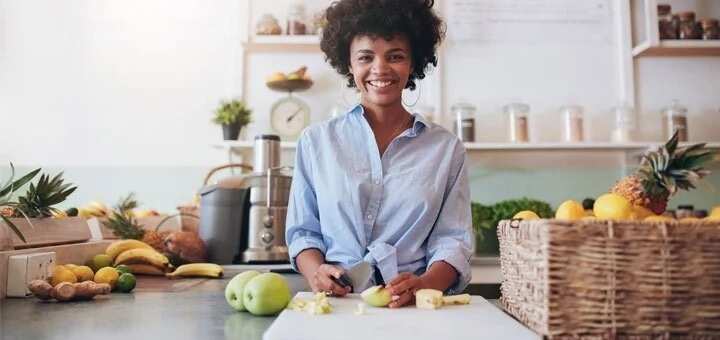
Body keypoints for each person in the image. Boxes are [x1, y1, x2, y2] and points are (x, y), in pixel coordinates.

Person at [285, 0, 473, 308]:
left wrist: (425, 284)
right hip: (335, 305)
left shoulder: (446, 149)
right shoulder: (315, 142)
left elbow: (452, 240)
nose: (380, 69)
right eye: (365, 57)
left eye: (395, 56)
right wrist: (316, 271)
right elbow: (303, 232)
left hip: (413, 307)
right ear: (349, 63)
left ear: (413, 63)